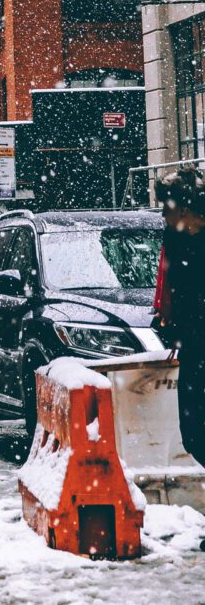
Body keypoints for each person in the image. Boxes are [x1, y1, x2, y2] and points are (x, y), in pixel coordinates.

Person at [154, 166, 205, 466]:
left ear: (184, 209)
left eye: (166, 207)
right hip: (193, 348)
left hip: (197, 345)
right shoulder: (175, 242)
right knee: (193, 435)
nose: (163, 216)